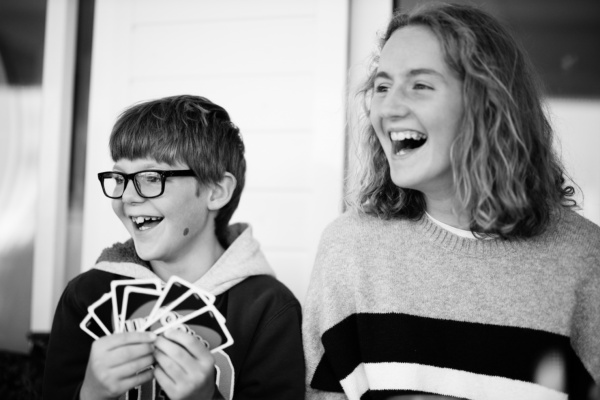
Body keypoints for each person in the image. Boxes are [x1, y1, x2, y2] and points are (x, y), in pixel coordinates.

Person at [303, 3, 600, 400]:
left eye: (420, 85)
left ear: (488, 103)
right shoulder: (348, 250)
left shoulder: (584, 262)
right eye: (382, 85)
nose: (387, 108)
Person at [43, 95, 305, 400]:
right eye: (119, 178)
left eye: (151, 177)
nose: (126, 197)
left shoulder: (269, 309)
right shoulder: (86, 296)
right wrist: (90, 394)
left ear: (216, 191)